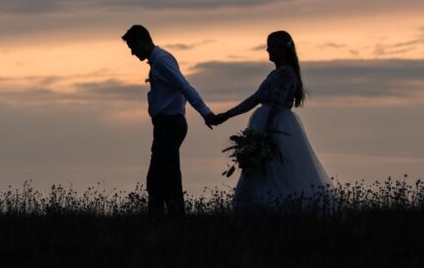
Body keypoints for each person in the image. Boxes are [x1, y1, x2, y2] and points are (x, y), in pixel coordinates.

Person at [211, 31, 331, 212]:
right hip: (266, 124)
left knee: (275, 168)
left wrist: (265, 136)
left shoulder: (285, 73)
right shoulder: (277, 73)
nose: (268, 50)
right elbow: (254, 99)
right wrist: (226, 115)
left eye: (272, 46)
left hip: (275, 127)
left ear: (283, 50)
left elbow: (276, 104)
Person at [122, 24, 214, 217]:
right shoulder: (160, 61)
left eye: (132, 47)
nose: (132, 53)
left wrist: (206, 113)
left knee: (165, 175)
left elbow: (184, 86)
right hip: (166, 124)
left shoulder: (162, 61)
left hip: (169, 124)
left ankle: (172, 217)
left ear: (140, 41)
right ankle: (165, 215)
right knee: (160, 175)